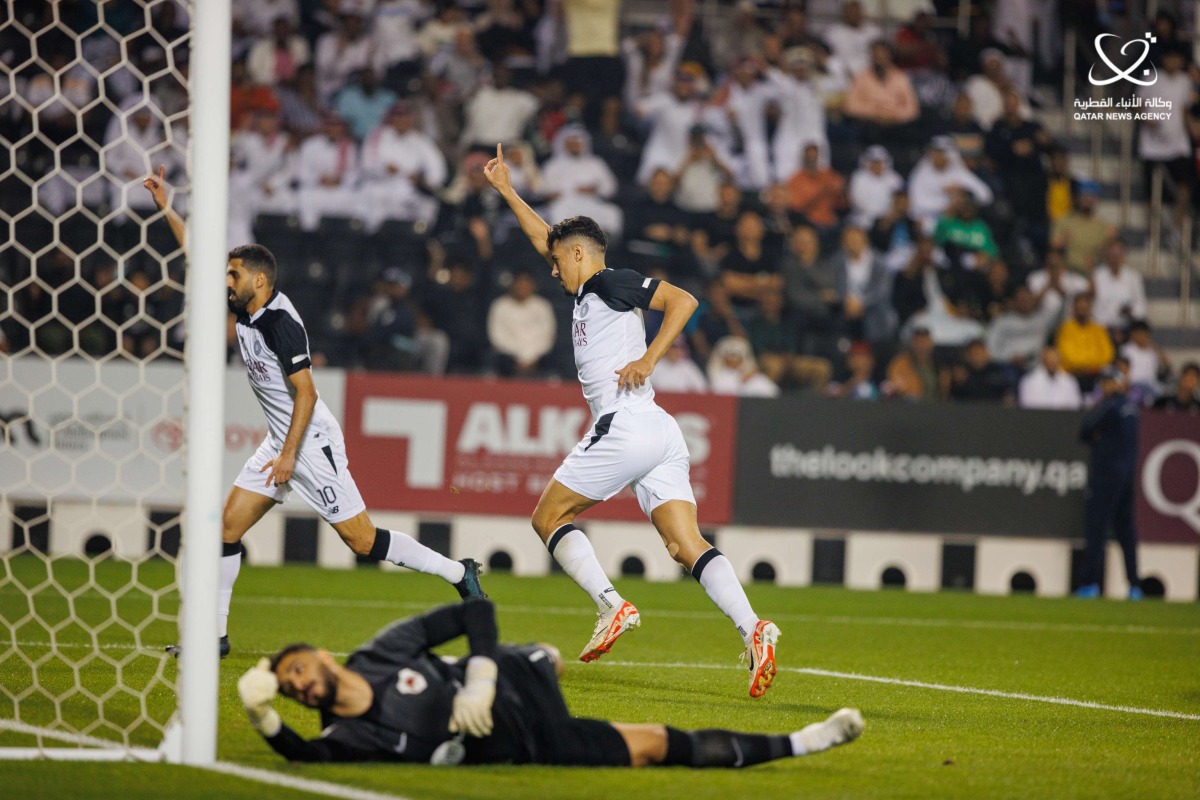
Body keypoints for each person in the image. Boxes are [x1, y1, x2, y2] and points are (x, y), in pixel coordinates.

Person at [142, 177, 486, 659]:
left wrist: (288, 456)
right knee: (225, 530)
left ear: (258, 281)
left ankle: (459, 573)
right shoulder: (242, 305)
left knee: (362, 541)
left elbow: (306, 392)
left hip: (309, 442)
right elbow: (195, 256)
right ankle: (214, 639)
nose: (226, 280)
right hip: (280, 441)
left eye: (234, 275)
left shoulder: (280, 324)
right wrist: (166, 206)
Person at [483, 144, 782, 697]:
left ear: (577, 255)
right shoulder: (587, 289)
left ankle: (610, 605)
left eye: (556, 260)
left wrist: (648, 359)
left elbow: (684, 301)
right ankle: (755, 628)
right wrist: (506, 191)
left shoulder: (608, 282)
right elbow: (542, 236)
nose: (550, 268)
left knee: (548, 517)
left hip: (623, 424)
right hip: (660, 432)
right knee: (684, 543)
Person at [236, 598, 864, 765]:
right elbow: (307, 756)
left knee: (544, 659)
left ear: (322, 656)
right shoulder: (349, 736)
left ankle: (533, 659)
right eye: (291, 691)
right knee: (656, 745)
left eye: (298, 672)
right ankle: (806, 742)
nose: (301, 688)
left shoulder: (378, 654)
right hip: (532, 740)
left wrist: (480, 673)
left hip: (506, 679)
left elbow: (473, 610)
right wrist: (266, 720)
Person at [1076, 367, 1142, 600]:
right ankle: (1134, 584)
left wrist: (1098, 437)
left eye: (1107, 382)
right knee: (1126, 532)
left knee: (1097, 529)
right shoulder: (1132, 408)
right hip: (1126, 477)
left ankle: (1090, 583)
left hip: (1105, 477)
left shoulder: (1109, 407)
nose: (1105, 387)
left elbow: (1084, 431)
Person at [1018, 346, 1082, 410]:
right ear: (1043, 360)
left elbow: (1075, 406)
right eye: (1049, 360)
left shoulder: (1070, 381)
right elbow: (1027, 406)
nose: (1052, 362)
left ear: (1059, 360)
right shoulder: (1029, 381)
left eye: (1054, 360)